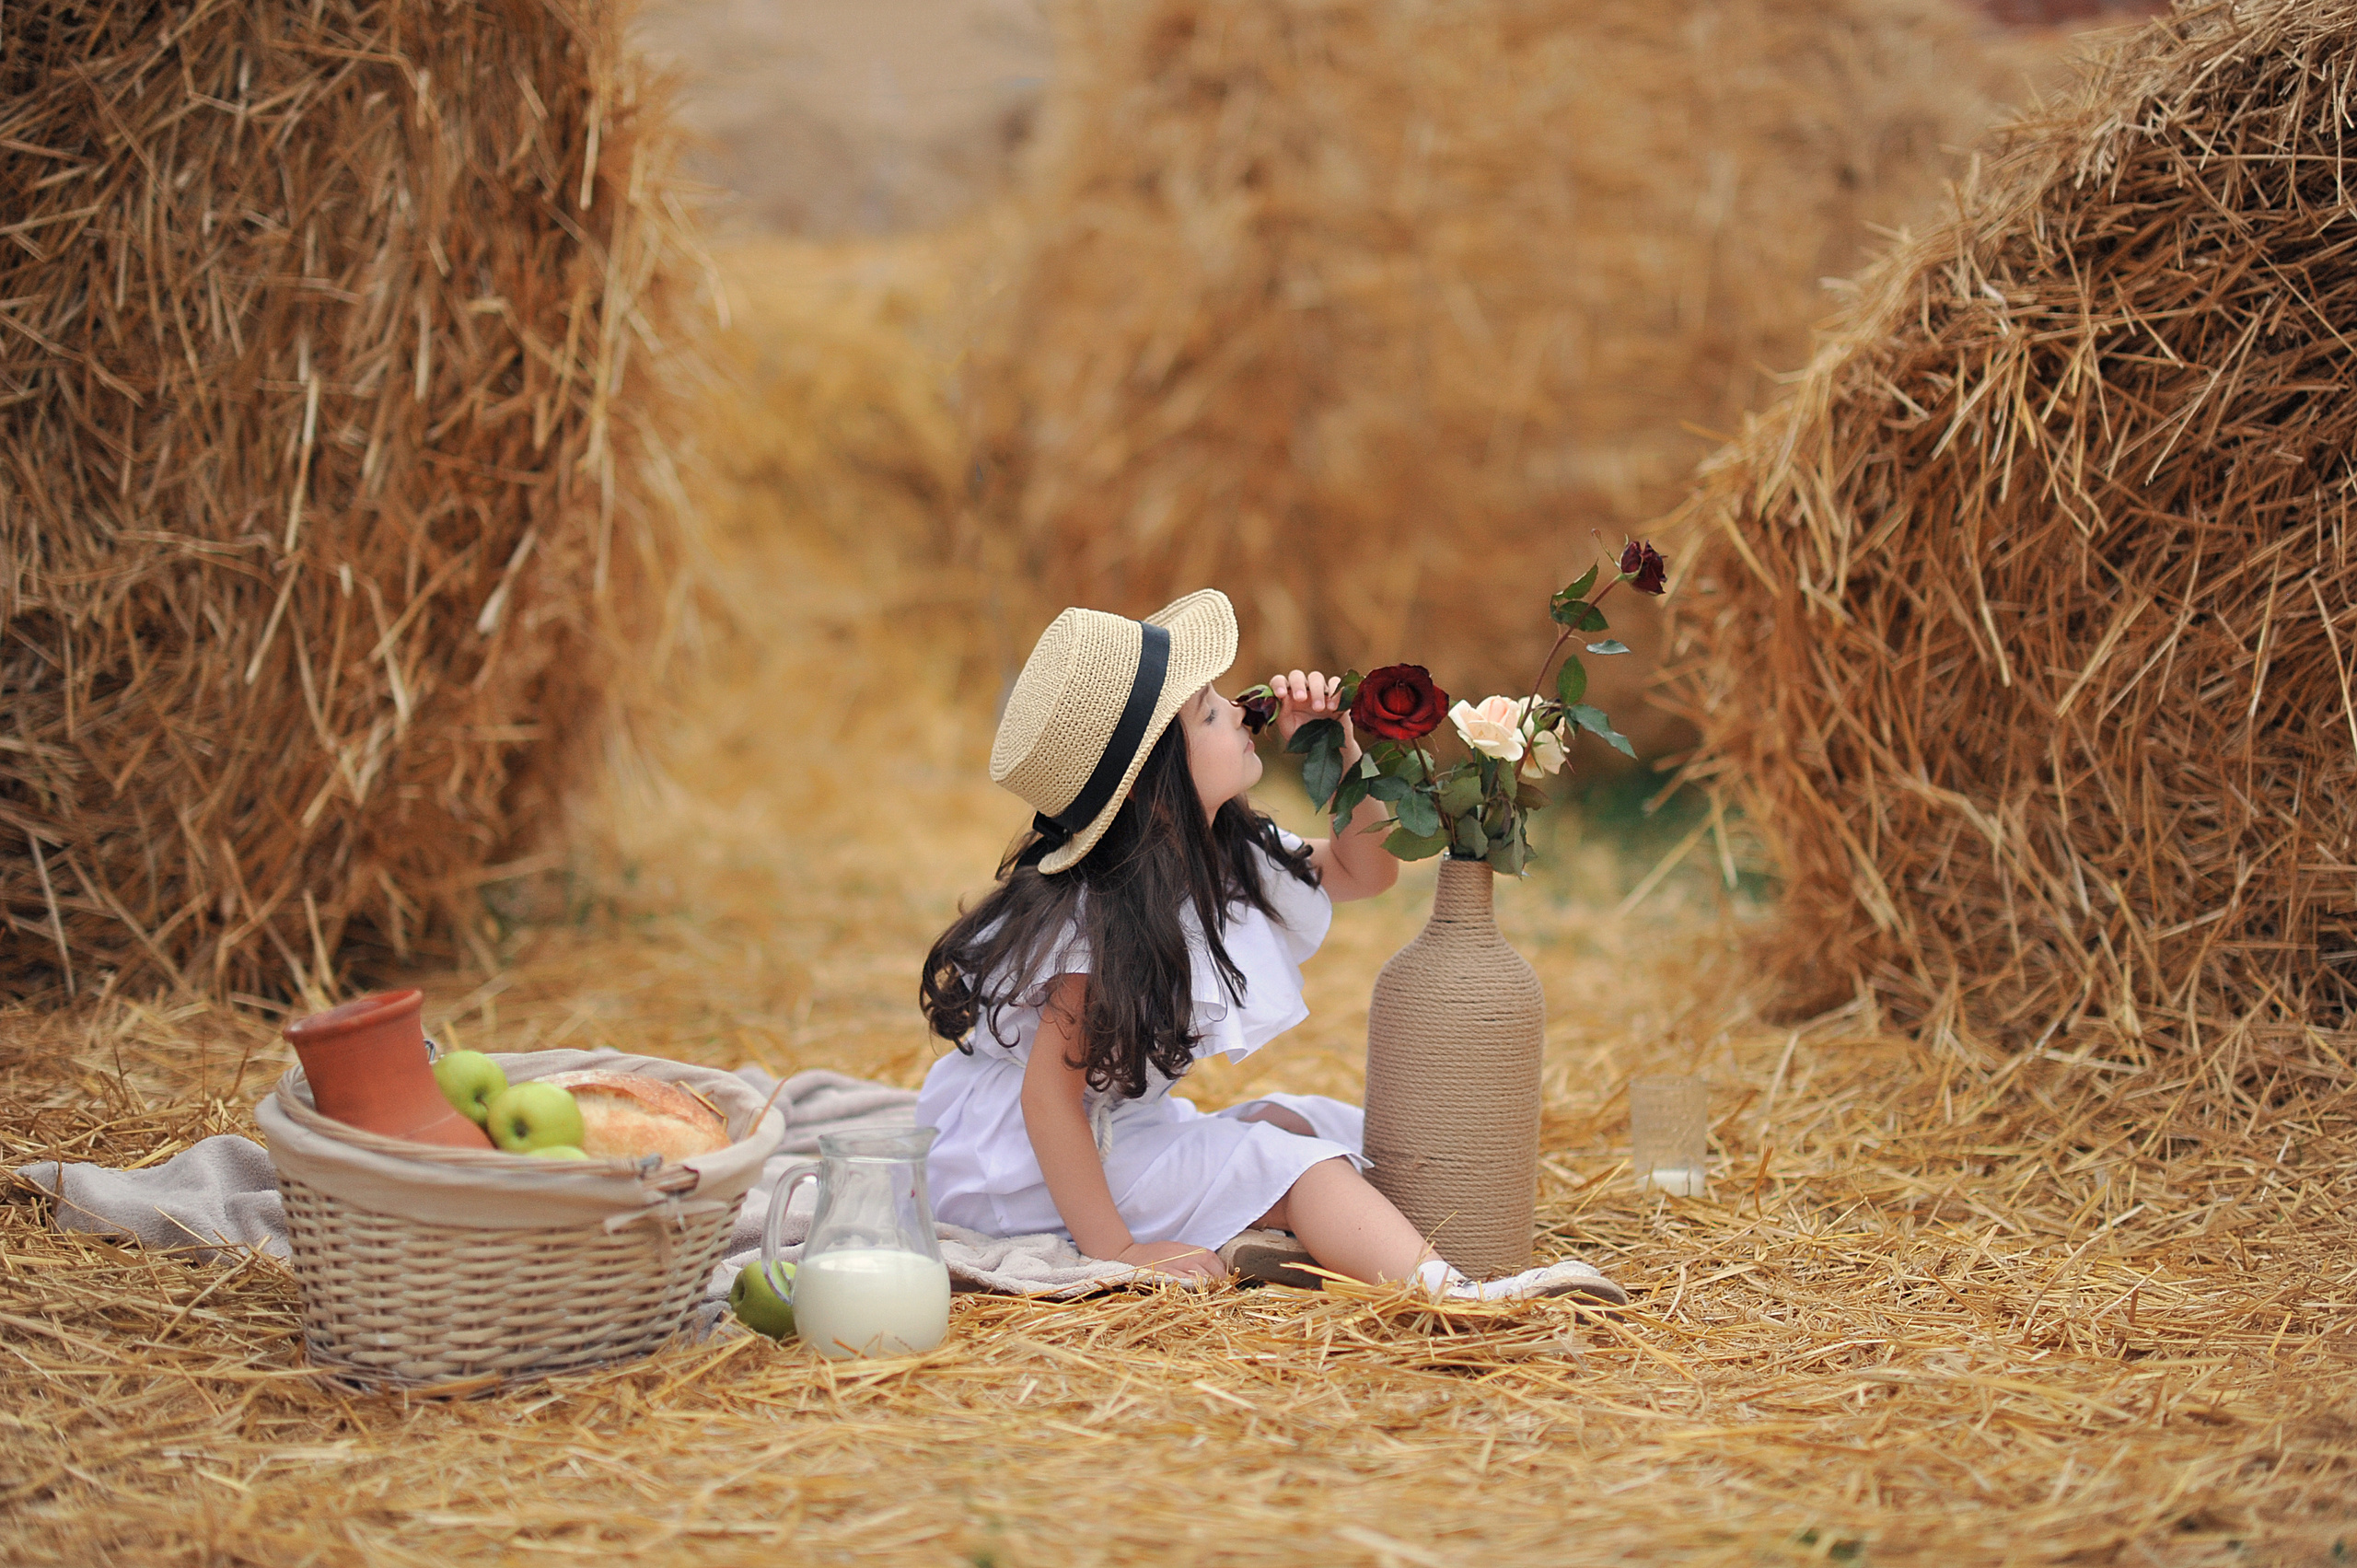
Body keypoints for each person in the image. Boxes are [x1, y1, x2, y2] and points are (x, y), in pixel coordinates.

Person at [915, 589, 1625, 1302]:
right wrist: (1120, 1250)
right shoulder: (1095, 919)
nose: (1241, 709)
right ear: (1154, 788)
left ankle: (1313, 1233)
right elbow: (1048, 1102)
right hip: (1023, 1168)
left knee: (1307, 1118)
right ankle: (1453, 1294)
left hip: (1113, 1126)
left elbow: (1365, 869)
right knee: (1292, 1163)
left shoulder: (1216, 855)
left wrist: (1346, 743)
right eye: (1211, 712)